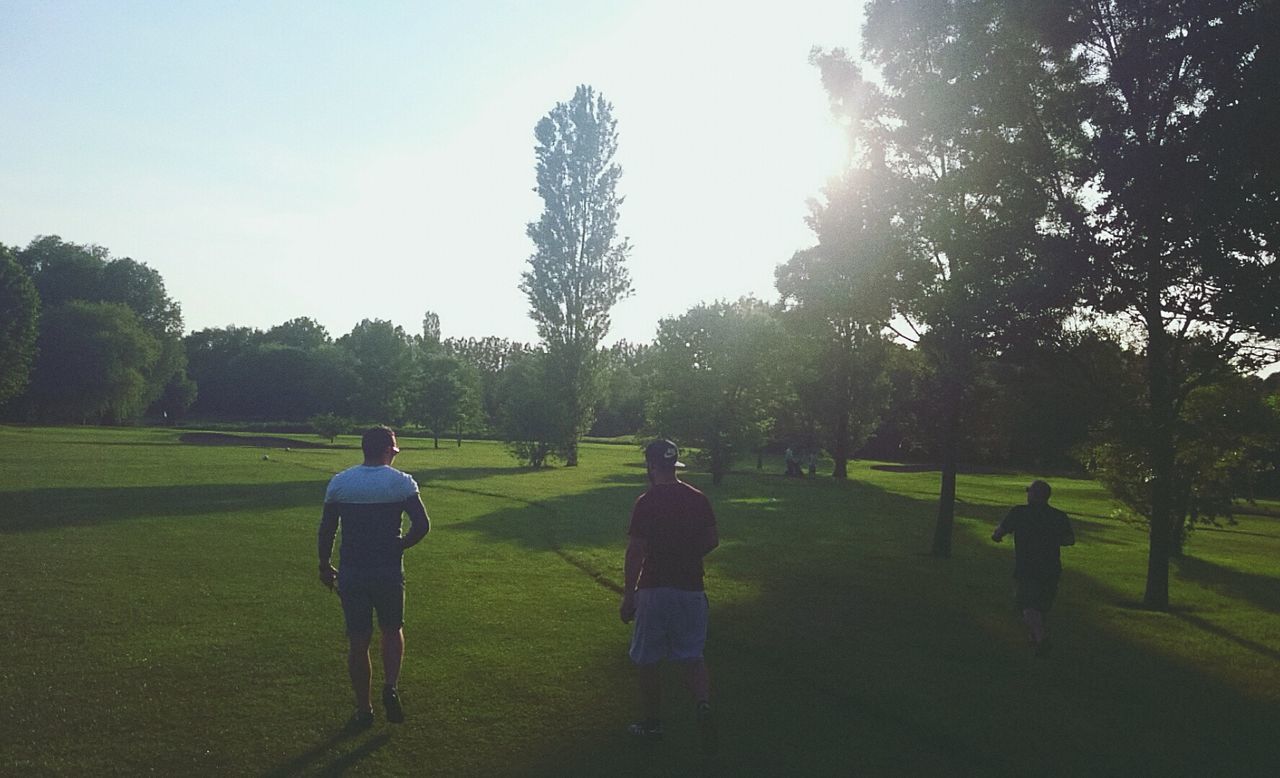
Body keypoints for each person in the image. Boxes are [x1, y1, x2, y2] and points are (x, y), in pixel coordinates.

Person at [318, 426, 431, 728]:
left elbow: (327, 529)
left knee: (358, 640)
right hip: (388, 570)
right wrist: (400, 544)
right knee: (392, 629)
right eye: (394, 450)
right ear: (386, 451)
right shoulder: (401, 483)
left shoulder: (341, 483)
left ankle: (363, 709)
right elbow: (422, 525)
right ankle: (390, 686)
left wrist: (323, 564)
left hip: (353, 570)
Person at [620, 439, 720, 752]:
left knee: (648, 659)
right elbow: (712, 539)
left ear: (651, 466)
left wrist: (628, 594)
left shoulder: (646, 502)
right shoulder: (697, 498)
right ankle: (702, 704)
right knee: (692, 655)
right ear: (674, 465)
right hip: (691, 588)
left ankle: (652, 724)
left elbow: (636, 550)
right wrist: (688, 555)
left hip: (654, 588)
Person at [991, 479, 1075, 657]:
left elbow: (1000, 532)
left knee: (1028, 605)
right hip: (1051, 567)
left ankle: (1041, 639)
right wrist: (1051, 539)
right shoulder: (1058, 516)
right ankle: (1035, 639)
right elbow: (1069, 540)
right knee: (1042, 605)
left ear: (1034, 495)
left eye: (1029, 492)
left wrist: (997, 536)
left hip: (1027, 567)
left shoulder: (1019, 513)